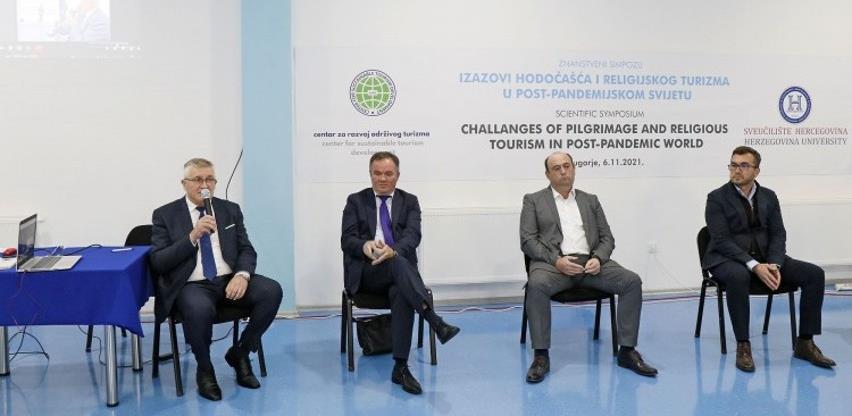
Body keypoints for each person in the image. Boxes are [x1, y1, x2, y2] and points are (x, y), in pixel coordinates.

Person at [150, 158, 283, 401]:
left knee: (271, 291)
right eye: (198, 179)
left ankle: (240, 353)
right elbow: (159, 261)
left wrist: (242, 275)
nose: (205, 185)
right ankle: (205, 369)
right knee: (198, 308)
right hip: (191, 284)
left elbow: (246, 249)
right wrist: (192, 236)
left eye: (210, 179)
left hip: (229, 280)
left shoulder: (229, 209)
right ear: (184, 183)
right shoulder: (165, 215)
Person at [520, 152, 658, 383]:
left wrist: (599, 258)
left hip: (590, 264)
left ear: (574, 169)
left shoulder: (590, 200)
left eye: (567, 166)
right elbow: (528, 241)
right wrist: (557, 261)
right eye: (557, 168)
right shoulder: (533, 200)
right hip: (553, 265)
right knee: (536, 285)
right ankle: (541, 356)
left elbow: (607, 238)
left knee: (631, 281)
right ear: (547, 174)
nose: (563, 171)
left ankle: (627, 351)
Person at [702, 146, 835, 372]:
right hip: (726, 258)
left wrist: (774, 264)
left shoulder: (769, 196)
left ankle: (805, 342)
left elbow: (778, 233)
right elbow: (721, 240)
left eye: (744, 165)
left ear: (756, 171)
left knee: (814, 274)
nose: (737, 170)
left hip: (767, 257)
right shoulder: (716, 198)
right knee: (738, 276)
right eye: (733, 165)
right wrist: (754, 266)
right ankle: (743, 345)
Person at [341, 151, 460, 395]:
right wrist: (365, 245)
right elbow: (347, 239)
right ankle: (434, 320)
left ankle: (401, 367)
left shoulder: (410, 201)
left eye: (388, 173)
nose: (382, 179)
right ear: (370, 174)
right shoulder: (355, 201)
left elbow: (413, 236)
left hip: (398, 275)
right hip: (368, 273)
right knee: (399, 267)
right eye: (377, 173)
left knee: (400, 288)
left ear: (397, 175)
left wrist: (392, 252)